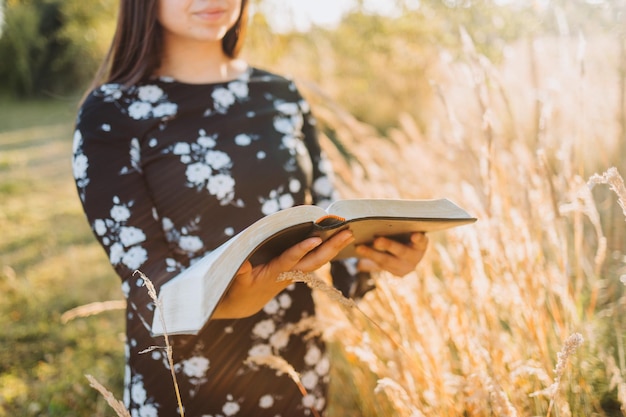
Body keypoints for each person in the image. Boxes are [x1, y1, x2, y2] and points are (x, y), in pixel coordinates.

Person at [72, 0, 429, 415]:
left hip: (294, 366)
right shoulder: (111, 113)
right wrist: (229, 304)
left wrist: (378, 256)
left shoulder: (282, 94)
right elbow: (140, 271)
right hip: (185, 380)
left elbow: (334, 217)